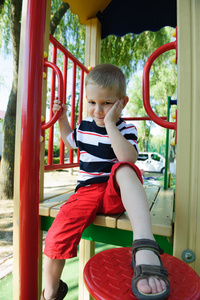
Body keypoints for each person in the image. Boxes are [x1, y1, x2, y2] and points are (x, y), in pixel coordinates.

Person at [41, 63, 170, 300]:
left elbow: (128, 158)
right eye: (92, 103)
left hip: (116, 193)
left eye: (107, 103)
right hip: (86, 192)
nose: (98, 110)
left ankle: (144, 244)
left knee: (123, 168)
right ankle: (50, 293)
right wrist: (62, 118)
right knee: (55, 235)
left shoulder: (125, 128)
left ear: (122, 102)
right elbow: (70, 141)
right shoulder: (84, 127)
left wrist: (111, 124)